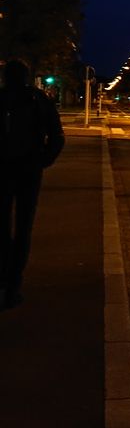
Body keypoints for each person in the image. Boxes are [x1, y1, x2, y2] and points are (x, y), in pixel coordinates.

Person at [0, 59, 65, 309]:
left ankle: (4, 278)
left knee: (2, 227)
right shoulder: (38, 99)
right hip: (28, 170)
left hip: (4, 170)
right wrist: (43, 160)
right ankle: (14, 283)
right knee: (23, 228)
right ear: (27, 76)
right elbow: (57, 135)